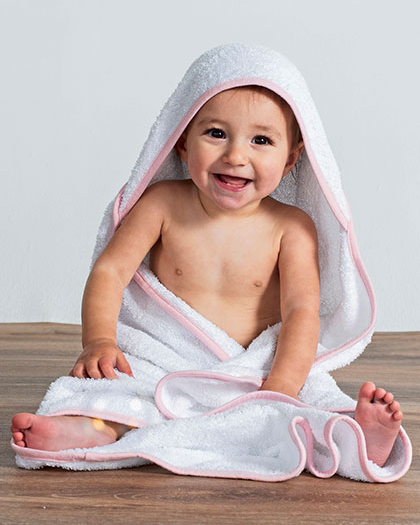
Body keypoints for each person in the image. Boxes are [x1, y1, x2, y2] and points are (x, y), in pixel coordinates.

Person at [11, 83, 403, 468]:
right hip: (167, 360)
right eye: (216, 133)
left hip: (257, 368)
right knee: (120, 385)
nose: (235, 155)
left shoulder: (291, 228)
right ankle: (92, 426)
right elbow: (110, 271)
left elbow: (301, 312)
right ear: (183, 142)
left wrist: (282, 385)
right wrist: (99, 340)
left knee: (307, 402)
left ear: (291, 159)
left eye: (261, 140)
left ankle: (356, 440)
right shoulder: (162, 203)